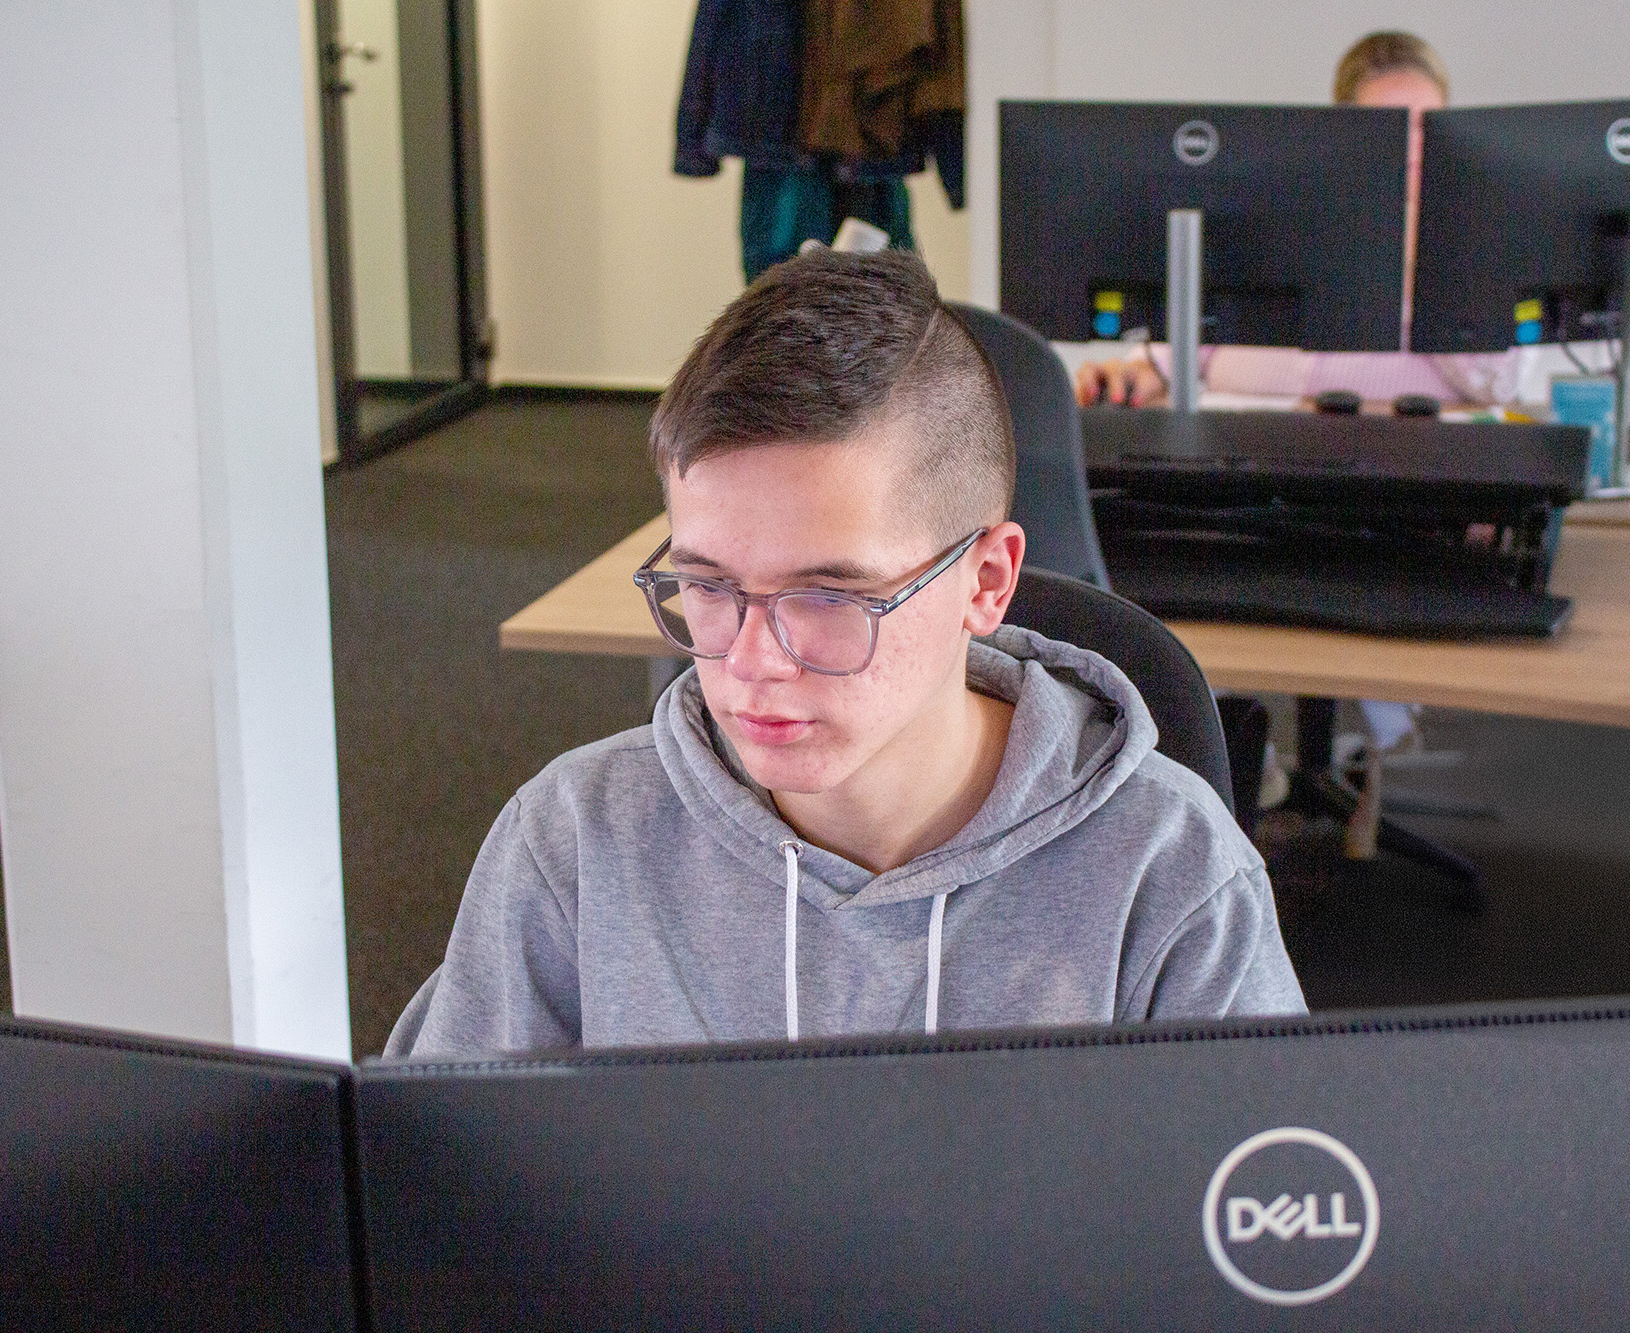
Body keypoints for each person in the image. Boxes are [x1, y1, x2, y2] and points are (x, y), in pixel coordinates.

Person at [387, 249, 1305, 1057]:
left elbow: (1268, 1190)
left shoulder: (1170, 872)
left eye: (827, 597)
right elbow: (433, 1174)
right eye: (707, 585)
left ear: (986, 581)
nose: (753, 660)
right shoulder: (575, 843)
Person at [1076, 31, 1522, 409]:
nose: (1409, 146)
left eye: (1425, 125)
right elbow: (1181, 353)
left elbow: (1498, 387)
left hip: (1410, 470)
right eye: (1389, 125)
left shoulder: (1477, 248)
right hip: (1256, 463)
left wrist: (1423, 261)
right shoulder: (1280, 224)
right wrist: (1133, 373)